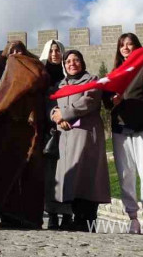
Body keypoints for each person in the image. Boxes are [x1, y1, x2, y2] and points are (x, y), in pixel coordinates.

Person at [0, 41, 48, 229]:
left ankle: (29, 217)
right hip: (5, 132)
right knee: (5, 171)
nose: (17, 54)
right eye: (12, 51)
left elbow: (37, 83)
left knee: (29, 172)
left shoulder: (36, 70)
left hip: (28, 130)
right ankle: (6, 214)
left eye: (20, 50)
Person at [45, 50, 110, 232]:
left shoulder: (92, 81)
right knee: (73, 178)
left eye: (76, 60)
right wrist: (57, 117)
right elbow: (53, 106)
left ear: (82, 62)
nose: (72, 64)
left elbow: (89, 101)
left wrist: (64, 114)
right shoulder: (61, 84)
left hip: (86, 135)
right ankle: (77, 218)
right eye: (68, 61)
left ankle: (88, 220)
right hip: (66, 136)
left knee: (87, 177)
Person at [103, 33, 143, 234]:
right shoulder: (114, 72)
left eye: (130, 44)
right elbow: (107, 102)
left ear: (138, 47)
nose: (126, 48)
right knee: (126, 173)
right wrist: (113, 102)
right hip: (121, 127)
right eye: (122, 45)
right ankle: (133, 217)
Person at [38, 38, 67, 229]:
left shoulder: (69, 75)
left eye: (57, 51)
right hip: (47, 130)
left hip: (67, 128)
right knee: (50, 175)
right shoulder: (40, 76)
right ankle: (52, 213)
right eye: (51, 51)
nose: (54, 54)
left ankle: (67, 214)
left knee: (66, 173)